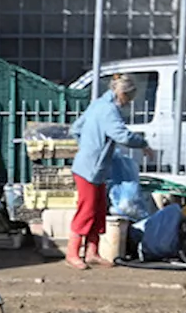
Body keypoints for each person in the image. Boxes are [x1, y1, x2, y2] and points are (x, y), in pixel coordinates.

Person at [66, 74, 155, 270]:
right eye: (129, 99)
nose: (128, 104)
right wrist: (143, 144)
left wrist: (87, 147)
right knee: (87, 210)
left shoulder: (98, 104)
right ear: (123, 94)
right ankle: (72, 253)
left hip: (94, 166)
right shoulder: (109, 111)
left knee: (98, 209)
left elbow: (76, 128)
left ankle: (92, 252)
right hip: (90, 169)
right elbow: (121, 135)